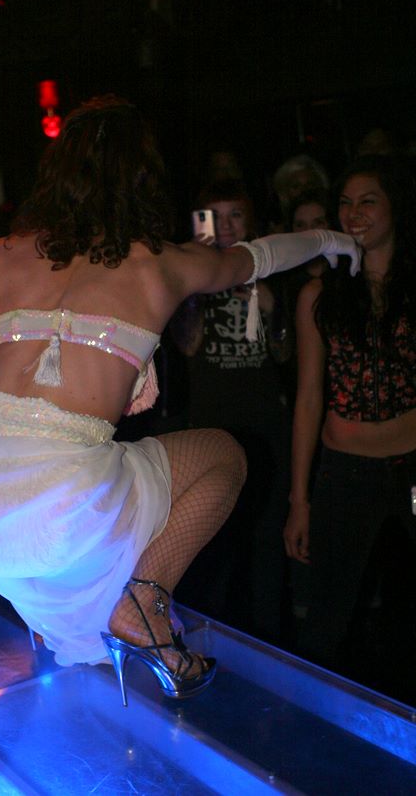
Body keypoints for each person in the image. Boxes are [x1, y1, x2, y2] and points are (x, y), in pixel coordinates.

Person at [0, 96, 359, 705]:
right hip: (53, 499)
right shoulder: (162, 265)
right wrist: (327, 238)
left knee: (68, 503)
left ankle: (85, 629)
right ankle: (143, 602)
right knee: (226, 457)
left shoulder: (8, 250)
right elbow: (257, 259)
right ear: (145, 178)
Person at [283, 155, 416, 680]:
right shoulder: (321, 294)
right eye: (345, 203)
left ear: (394, 207)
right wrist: (299, 499)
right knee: (327, 616)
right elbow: (308, 398)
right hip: (346, 471)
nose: (354, 213)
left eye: (367, 201)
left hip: (411, 466)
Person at [170, 179, 292, 643]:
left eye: (235, 215)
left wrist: (273, 311)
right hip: (212, 427)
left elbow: (285, 355)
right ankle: (210, 640)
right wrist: (199, 284)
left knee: (265, 540)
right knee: (212, 540)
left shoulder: (272, 272)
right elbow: (188, 345)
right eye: (214, 217)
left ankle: (270, 643)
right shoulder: (192, 278)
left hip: (265, 426)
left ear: (251, 221)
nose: (225, 226)